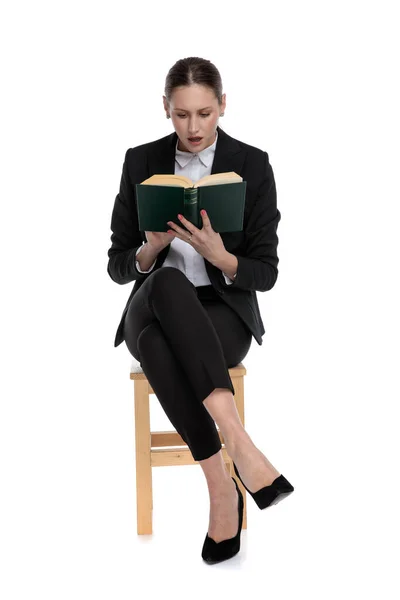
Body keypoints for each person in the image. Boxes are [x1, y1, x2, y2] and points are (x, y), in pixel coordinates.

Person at [107, 56, 294, 564]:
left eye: (205, 114)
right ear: (165, 109)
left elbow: (267, 272)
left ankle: (220, 487)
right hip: (153, 301)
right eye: (182, 115)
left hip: (220, 313)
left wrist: (222, 258)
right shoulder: (140, 161)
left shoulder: (253, 165)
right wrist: (149, 249)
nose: (194, 128)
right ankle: (240, 446)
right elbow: (118, 265)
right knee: (166, 280)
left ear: (223, 107)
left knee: (156, 347)